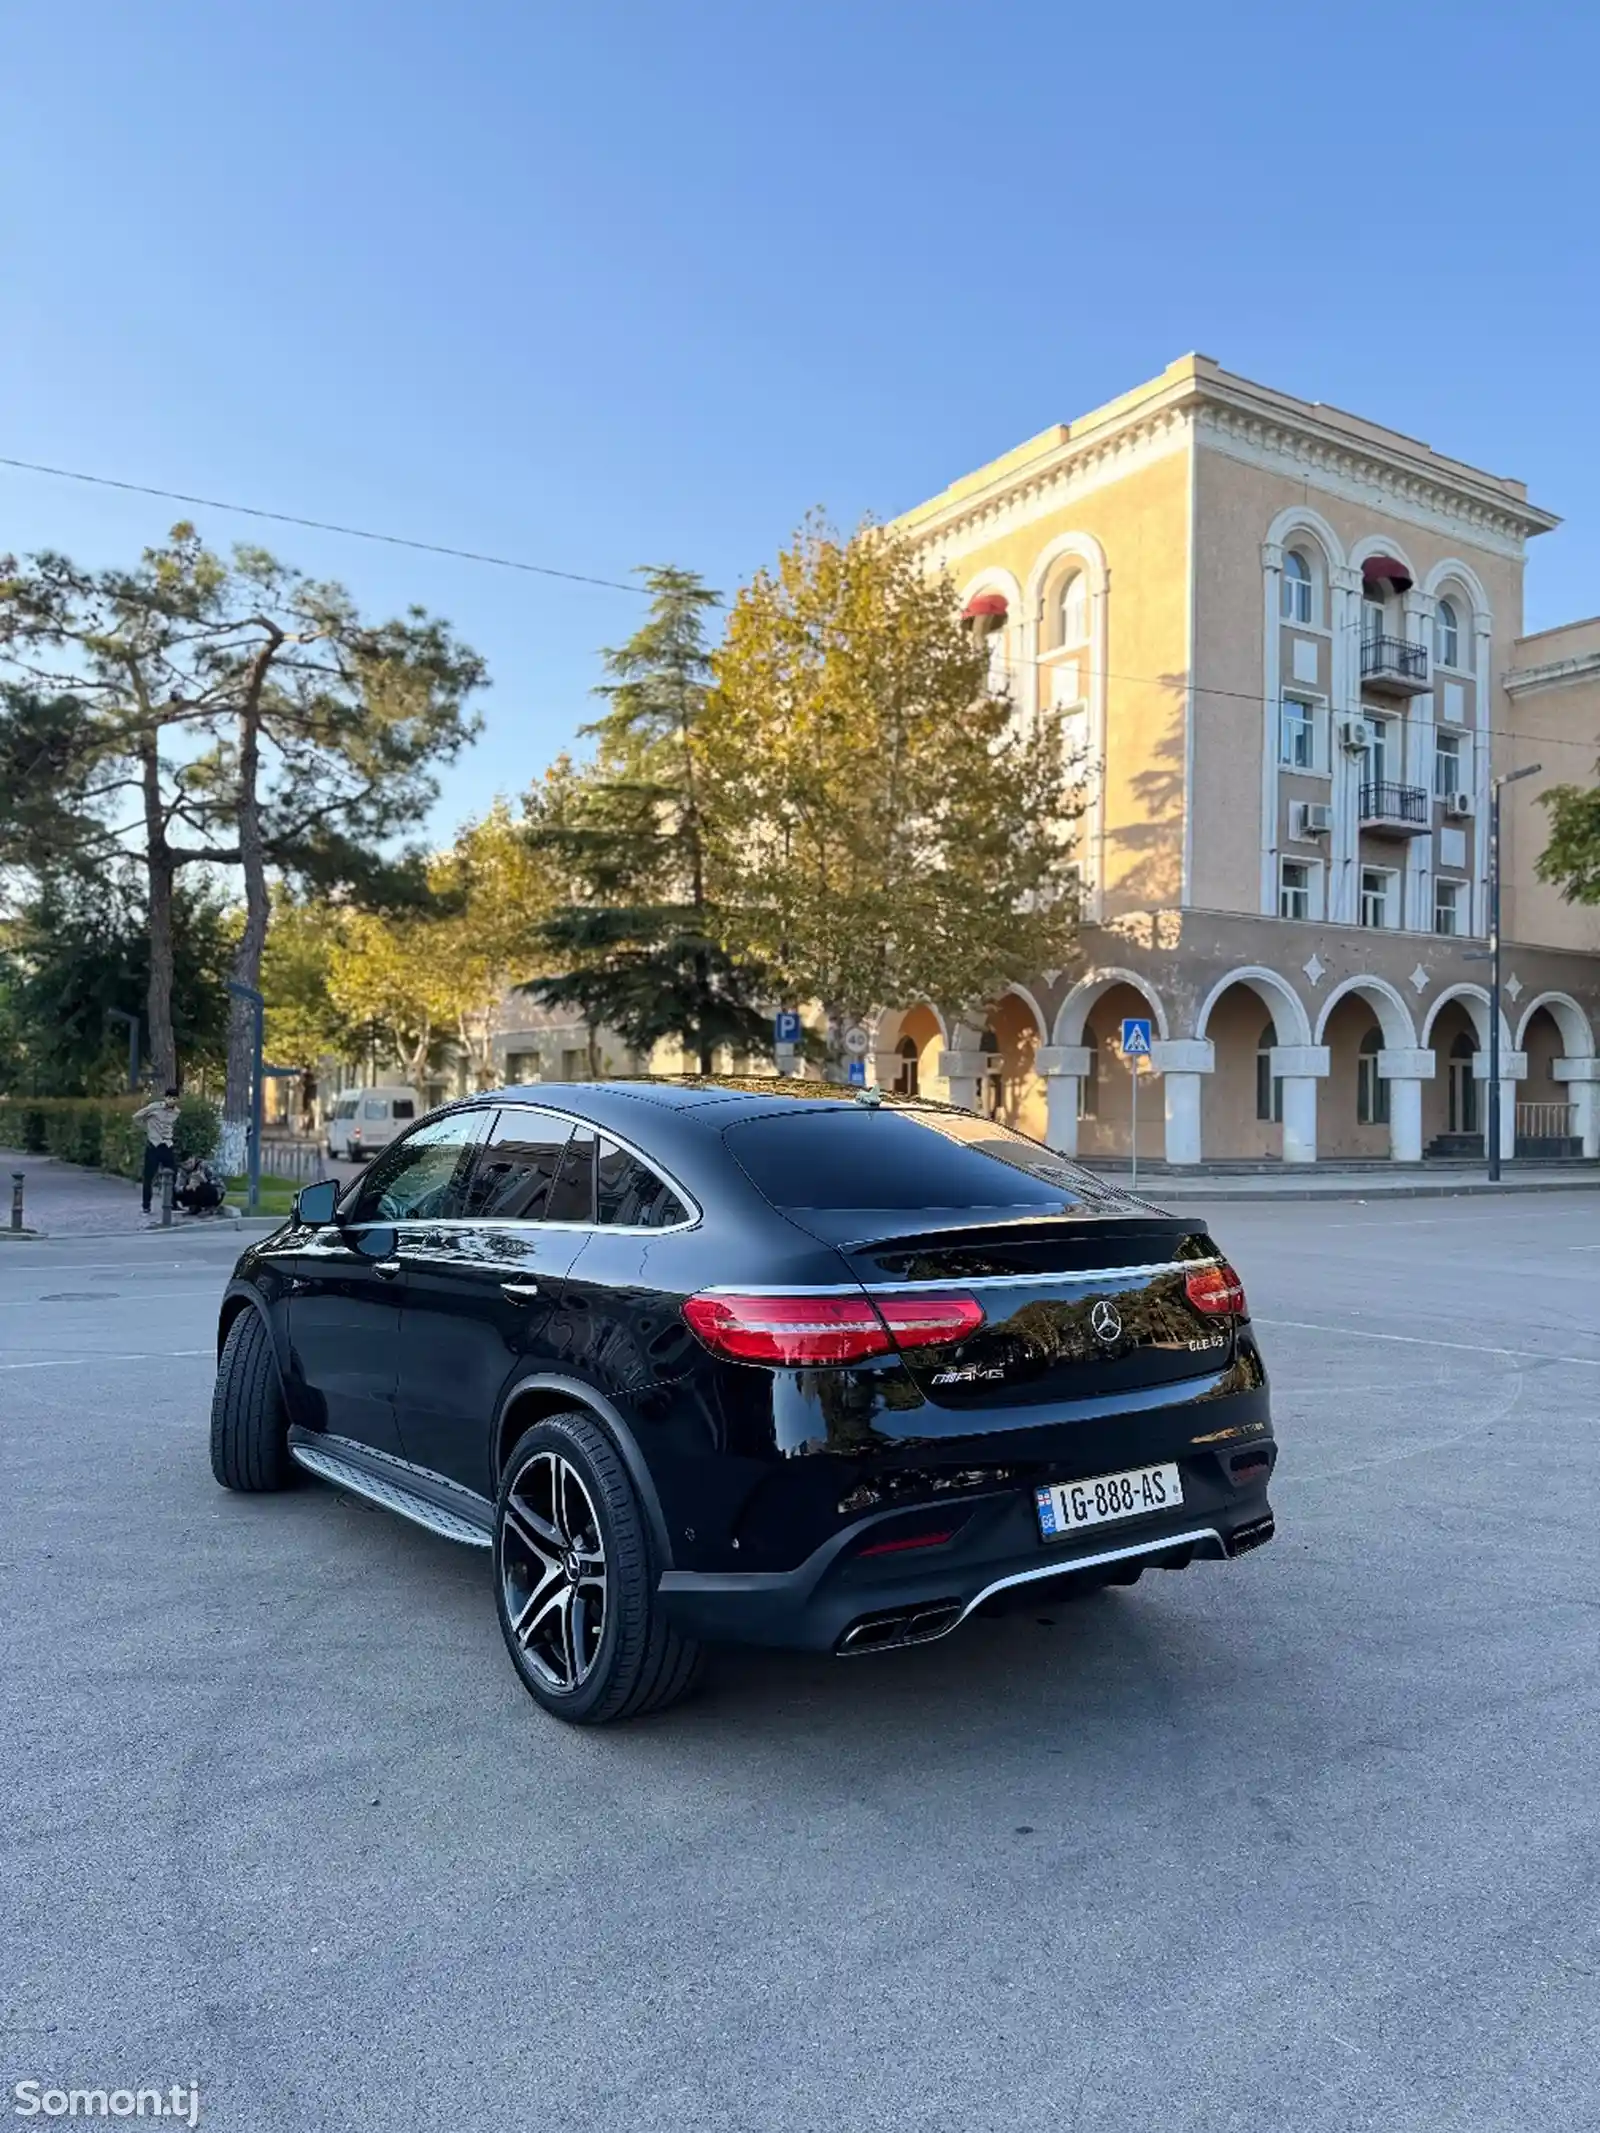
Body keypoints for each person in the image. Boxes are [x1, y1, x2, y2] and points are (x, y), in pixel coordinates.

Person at [132, 1085, 181, 1215]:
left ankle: (173, 1203)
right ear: (165, 1098)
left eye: (175, 1098)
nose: (172, 1101)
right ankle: (146, 1206)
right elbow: (136, 1116)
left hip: (167, 1144)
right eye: (170, 1098)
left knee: (173, 1173)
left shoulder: (176, 1112)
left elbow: (171, 1126)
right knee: (148, 1177)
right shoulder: (155, 1107)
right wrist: (147, 1128)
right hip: (153, 1144)